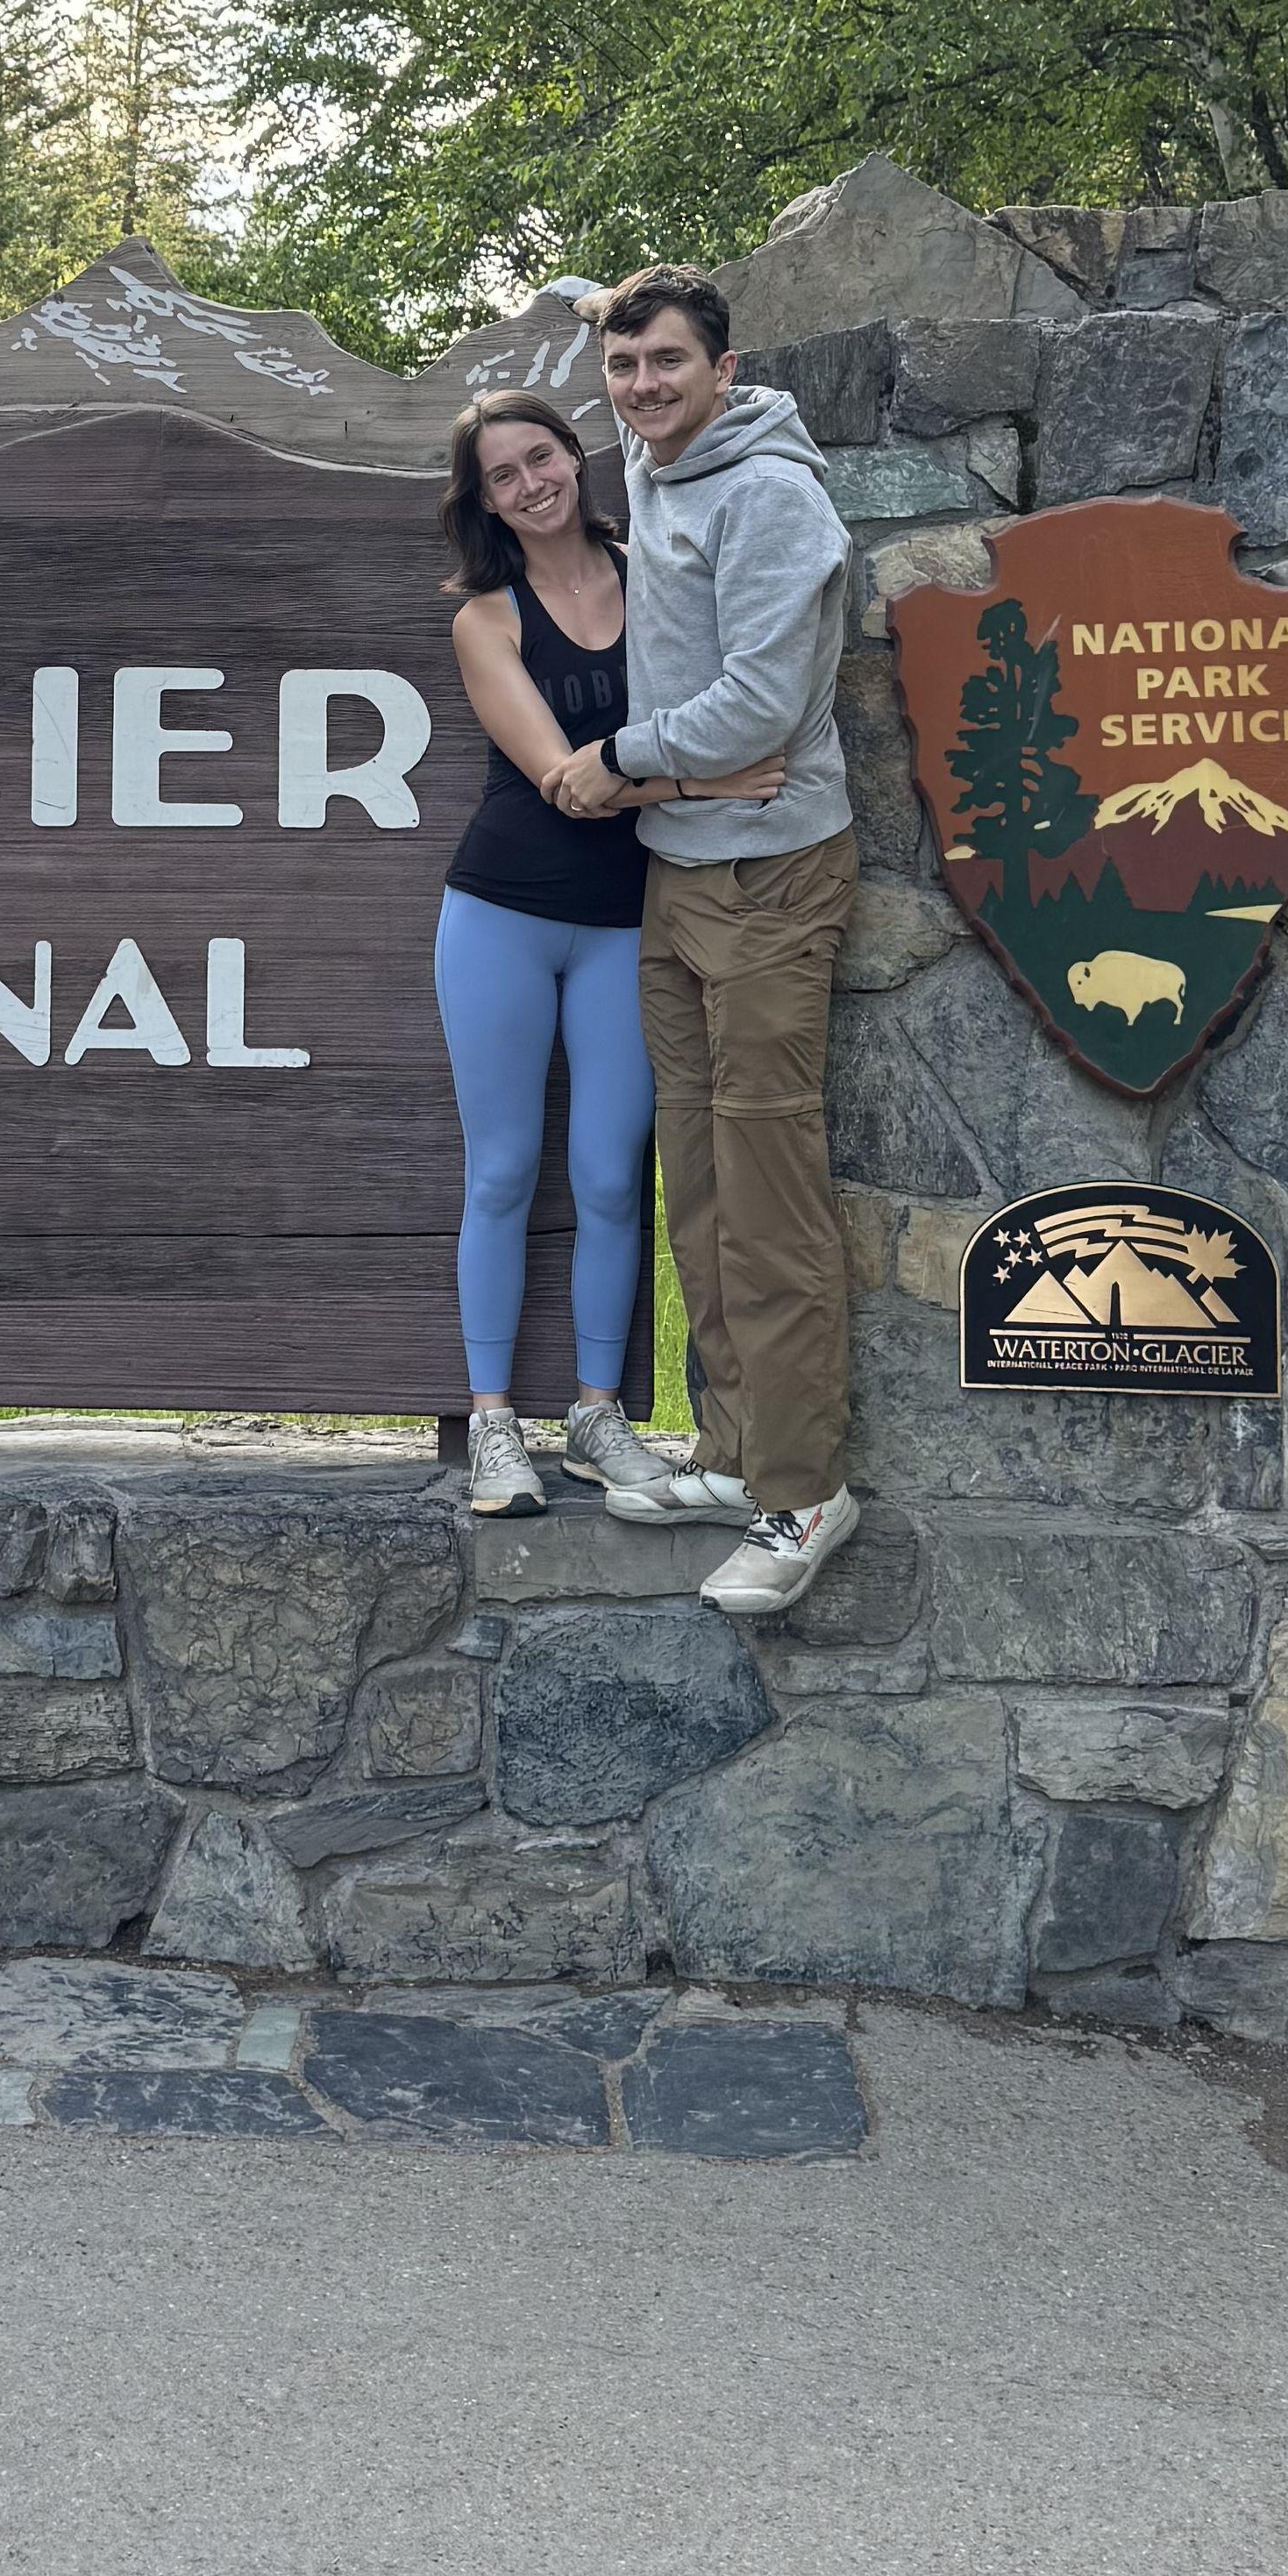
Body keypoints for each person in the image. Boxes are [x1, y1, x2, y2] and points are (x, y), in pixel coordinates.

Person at [544, 266, 864, 1616]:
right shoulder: (660, 454)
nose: (641, 387)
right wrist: (600, 303)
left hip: (770, 875)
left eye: (667, 362)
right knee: (704, 1184)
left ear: (727, 371)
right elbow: (622, 344)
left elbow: (759, 707)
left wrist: (618, 762)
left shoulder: (771, 497)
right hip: (680, 875)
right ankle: (732, 1453)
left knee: (770, 1193)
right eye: (623, 366)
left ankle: (803, 1493)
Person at [430, 395, 777, 1519]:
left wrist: (701, 769)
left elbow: (728, 697)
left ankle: (594, 1417)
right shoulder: (486, 620)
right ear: (485, 502)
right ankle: (494, 1426)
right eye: (503, 475)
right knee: (501, 1171)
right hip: (502, 913)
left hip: (633, 918)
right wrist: (710, 783)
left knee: (614, 1177)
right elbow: (565, 783)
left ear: (575, 459)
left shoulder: (655, 575)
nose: (530, 484)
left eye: (541, 458)